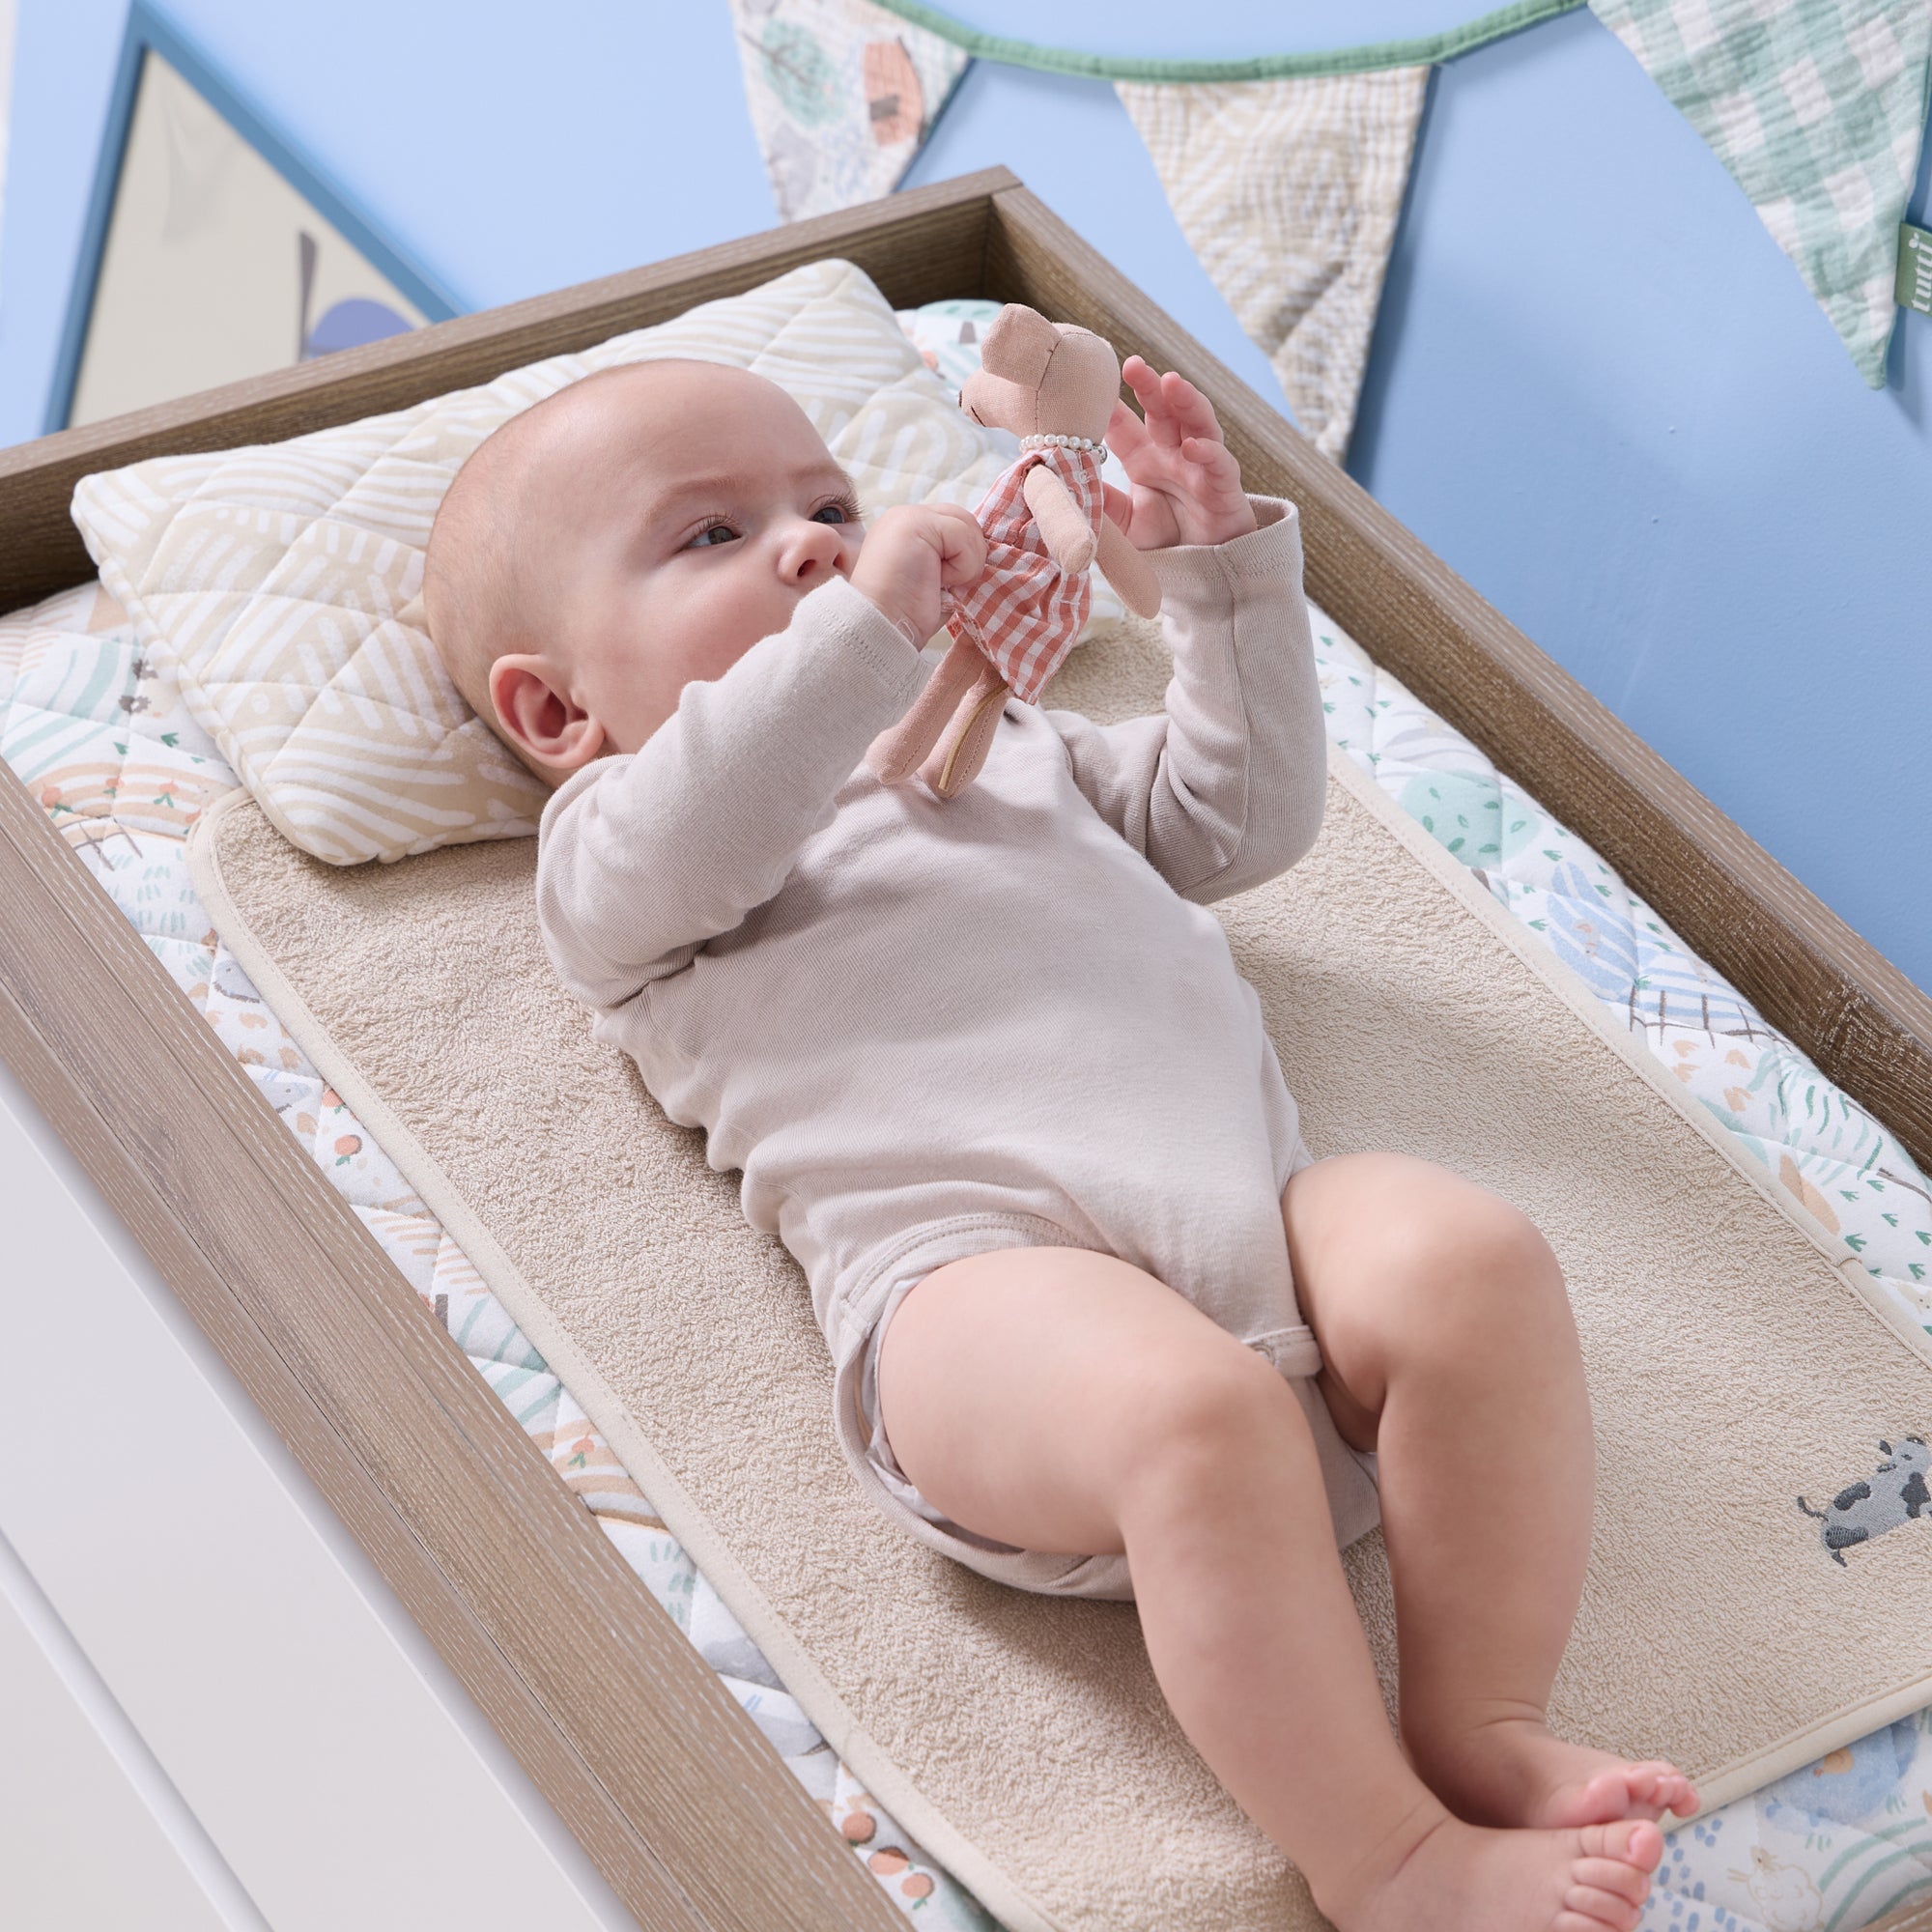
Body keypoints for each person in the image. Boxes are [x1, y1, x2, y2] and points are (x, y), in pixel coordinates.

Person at [424, 350, 1695, 1932]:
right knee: (1192, 1414)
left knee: (1468, 1258)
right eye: (712, 539)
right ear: (558, 709)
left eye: (829, 504)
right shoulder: (618, 857)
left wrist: (1221, 581)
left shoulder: (1004, 742)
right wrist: (864, 620)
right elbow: (731, 789)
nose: (811, 543)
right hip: (976, 1303)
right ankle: (1389, 1857)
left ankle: (1481, 1723)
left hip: (1257, 1230)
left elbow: (1240, 821)